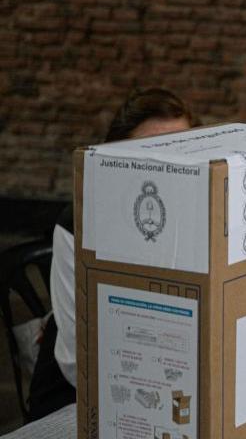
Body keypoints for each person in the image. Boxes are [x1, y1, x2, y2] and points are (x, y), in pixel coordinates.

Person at [28, 88, 199, 421]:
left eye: (182, 152)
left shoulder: (195, 222)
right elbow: (77, 361)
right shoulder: (80, 223)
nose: (166, 168)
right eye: (149, 153)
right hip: (79, 399)